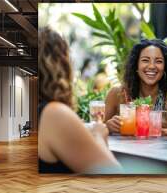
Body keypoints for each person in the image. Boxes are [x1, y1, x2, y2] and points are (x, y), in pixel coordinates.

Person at [38, 27, 121, 174]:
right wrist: (99, 135)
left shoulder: (39, 110)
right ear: (61, 62)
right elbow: (113, 175)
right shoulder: (55, 114)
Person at [105, 39, 167, 134]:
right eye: (145, 60)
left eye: (158, 61)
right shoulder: (117, 93)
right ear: (136, 65)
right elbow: (95, 133)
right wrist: (107, 127)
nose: (152, 66)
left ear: (165, 67)